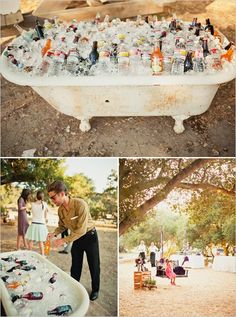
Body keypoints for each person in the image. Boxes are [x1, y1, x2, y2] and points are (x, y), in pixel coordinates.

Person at [47, 180, 100, 301]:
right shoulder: (60, 210)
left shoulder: (80, 204)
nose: (52, 201)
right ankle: (74, 286)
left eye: (53, 197)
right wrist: (54, 233)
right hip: (76, 238)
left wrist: (63, 240)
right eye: (51, 198)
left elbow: (81, 230)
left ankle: (95, 290)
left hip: (89, 236)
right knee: (75, 265)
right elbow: (62, 225)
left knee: (94, 265)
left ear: (62, 194)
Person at [25, 191, 49, 256]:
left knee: (31, 240)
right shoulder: (45, 204)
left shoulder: (32, 204)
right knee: (40, 241)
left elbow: (33, 213)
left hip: (34, 224)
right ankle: (43, 255)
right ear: (42, 197)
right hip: (41, 224)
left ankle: (29, 254)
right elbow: (45, 216)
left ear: (36, 196)